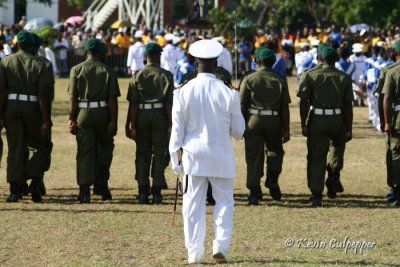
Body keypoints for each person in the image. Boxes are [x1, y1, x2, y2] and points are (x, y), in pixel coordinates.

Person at [169, 39, 245, 264]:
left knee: (192, 204)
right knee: (224, 202)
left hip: (193, 156)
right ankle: (220, 245)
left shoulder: (182, 92)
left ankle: (194, 253)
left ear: (195, 62)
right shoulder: (229, 93)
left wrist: (175, 159)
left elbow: (177, 130)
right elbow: (239, 132)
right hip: (221, 155)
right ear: (217, 62)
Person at [297, 46, 353, 206]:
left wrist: (303, 124)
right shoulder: (344, 77)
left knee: (316, 157)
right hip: (338, 119)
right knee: (337, 150)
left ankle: (316, 194)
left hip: (318, 120)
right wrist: (349, 128)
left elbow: (304, 102)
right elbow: (348, 105)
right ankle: (334, 173)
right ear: (335, 60)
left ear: (320, 59)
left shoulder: (310, 75)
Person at [0, 30, 52, 202]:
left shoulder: (5, 61)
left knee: (15, 148)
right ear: (33, 45)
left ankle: (15, 190)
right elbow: (43, 95)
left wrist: (1, 114)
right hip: (33, 107)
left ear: (17, 44)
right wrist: (45, 120)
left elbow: (1, 91)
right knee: (41, 146)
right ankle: (32, 178)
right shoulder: (42, 63)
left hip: (11, 107)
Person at [67, 39, 120, 203]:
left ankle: (84, 191)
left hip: (83, 112)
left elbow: (73, 98)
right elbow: (112, 99)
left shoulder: (76, 69)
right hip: (103, 112)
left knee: (85, 151)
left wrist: (71, 118)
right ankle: (101, 183)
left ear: (85, 52)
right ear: (101, 53)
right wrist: (113, 120)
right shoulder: (107, 70)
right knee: (105, 146)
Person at [239, 47, 290, 205]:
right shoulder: (280, 79)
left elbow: (242, 103)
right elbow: (284, 107)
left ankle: (254, 191)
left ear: (257, 61)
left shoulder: (249, 78)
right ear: (273, 62)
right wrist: (286, 128)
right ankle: (272, 179)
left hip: (253, 120)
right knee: (275, 151)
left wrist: (240, 124)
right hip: (274, 120)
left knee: (253, 155)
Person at [127, 42, 173, 204]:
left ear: (145, 57)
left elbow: (133, 103)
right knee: (159, 153)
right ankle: (157, 191)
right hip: (160, 114)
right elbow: (169, 103)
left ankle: (142, 190)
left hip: (142, 114)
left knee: (142, 153)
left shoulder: (137, 75)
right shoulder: (166, 75)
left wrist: (131, 124)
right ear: (159, 56)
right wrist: (170, 124)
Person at [382, 45, 400, 207]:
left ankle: (396, 190)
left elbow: (386, 98)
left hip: (398, 118)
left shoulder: (392, 71)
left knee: (396, 155)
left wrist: (386, 122)